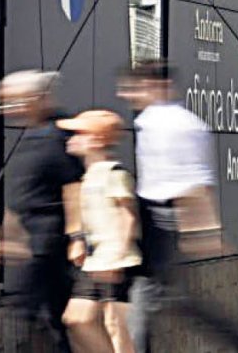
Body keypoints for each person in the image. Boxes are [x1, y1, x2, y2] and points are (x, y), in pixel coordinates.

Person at [119, 60, 238, 353]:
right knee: (166, 298)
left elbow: (195, 182)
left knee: (153, 296)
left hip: (162, 220)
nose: (127, 94)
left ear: (155, 86)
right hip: (156, 219)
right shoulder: (156, 122)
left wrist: (203, 230)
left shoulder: (174, 126)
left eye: (134, 87)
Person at [0, 70, 82, 352]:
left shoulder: (57, 136)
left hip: (46, 244)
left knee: (30, 315)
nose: (9, 108)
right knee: (49, 320)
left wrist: (77, 237)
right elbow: (20, 194)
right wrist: (7, 233)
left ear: (35, 99)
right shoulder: (29, 136)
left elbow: (73, 190)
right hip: (29, 245)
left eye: (14, 100)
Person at [61, 110, 141, 353]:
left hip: (115, 261)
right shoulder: (87, 176)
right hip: (94, 261)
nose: (72, 138)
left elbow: (128, 215)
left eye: (79, 133)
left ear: (96, 140)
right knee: (76, 318)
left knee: (116, 327)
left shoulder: (114, 174)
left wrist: (116, 257)